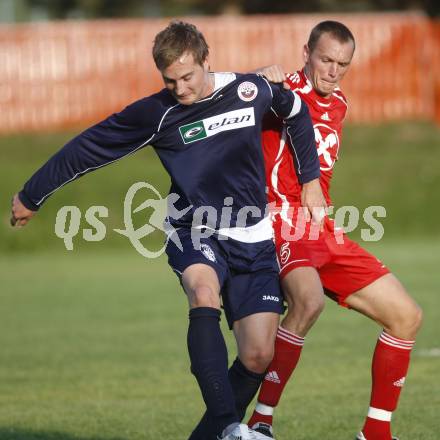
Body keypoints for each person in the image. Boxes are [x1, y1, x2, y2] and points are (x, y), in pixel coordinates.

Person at [10, 21, 326, 440]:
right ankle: (232, 427)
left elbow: (297, 113)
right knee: (203, 292)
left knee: (257, 355)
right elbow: (90, 146)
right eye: (170, 80)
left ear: (206, 60)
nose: (180, 88)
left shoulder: (250, 90)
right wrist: (33, 194)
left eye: (187, 76)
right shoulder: (157, 113)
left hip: (252, 235)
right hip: (192, 228)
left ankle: (211, 432)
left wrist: (310, 179)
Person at [246, 21, 423, 440]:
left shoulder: (339, 102)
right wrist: (258, 78)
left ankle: (375, 432)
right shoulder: (280, 91)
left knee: (406, 317)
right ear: (306, 51)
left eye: (342, 64)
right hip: (282, 222)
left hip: (321, 229)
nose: (332, 71)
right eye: (325, 59)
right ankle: (260, 423)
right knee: (307, 303)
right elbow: (236, 100)